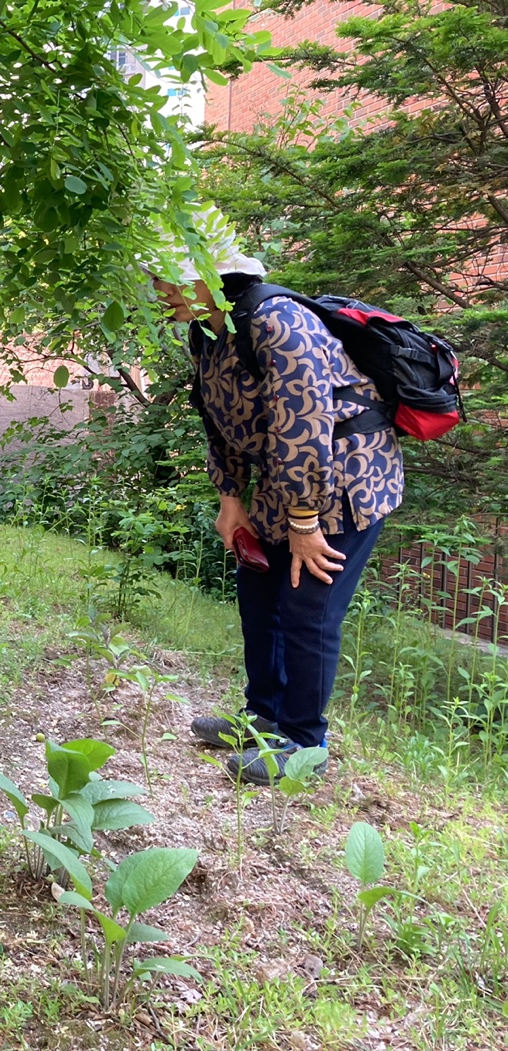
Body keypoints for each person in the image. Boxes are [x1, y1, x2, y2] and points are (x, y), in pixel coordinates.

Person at [149, 208, 404, 784]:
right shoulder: (208, 331)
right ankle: (262, 719)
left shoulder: (278, 321)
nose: (159, 291)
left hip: (345, 481)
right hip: (283, 483)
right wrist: (230, 498)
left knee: (307, 609)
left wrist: (305, 523)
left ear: (209, 275)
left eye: (168, 278)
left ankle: (304, 744)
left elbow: (304, 427)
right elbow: (218, 420)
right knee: (259, 595)